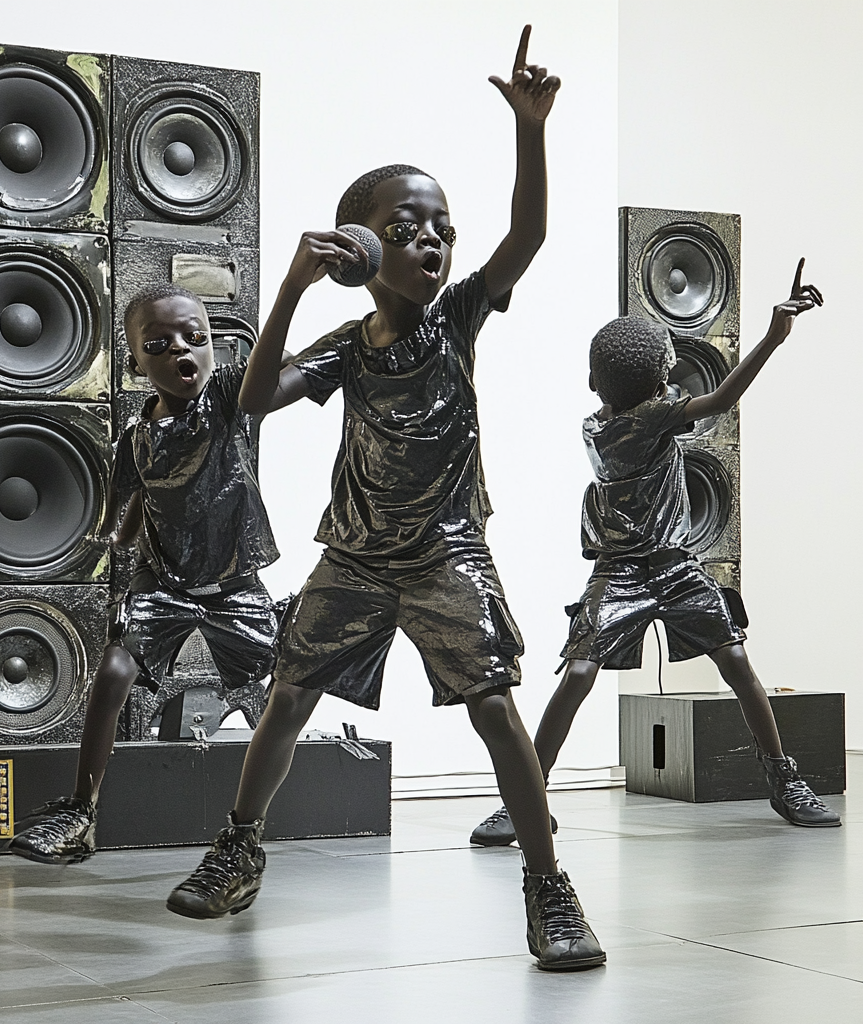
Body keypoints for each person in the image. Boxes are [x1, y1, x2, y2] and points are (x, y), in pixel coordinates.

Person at [167, 27, 606, 973]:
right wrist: (288, 282)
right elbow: (248, 401)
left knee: (495, 709)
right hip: (358, 556)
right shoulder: (344, 341)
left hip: (447, 551)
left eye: (441, 227)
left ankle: (549, 888)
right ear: (362, 252)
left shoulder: (458, 317)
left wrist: (530, 130)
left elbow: (527, 233)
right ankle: (240, 850)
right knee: (288, 693)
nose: (433, 243)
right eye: (406, 230)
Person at [470, 259, 840, 847]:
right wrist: (772, 337)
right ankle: (526, 800)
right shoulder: (648, 419)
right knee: (731, 667)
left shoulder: (598, 422)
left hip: (656, 568)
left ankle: (525, 800)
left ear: (597, 382)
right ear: (663, 373)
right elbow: (718, 401)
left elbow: (664, 398)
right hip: (634, 569)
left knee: (601, 674)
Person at [9, 284, 281, 863]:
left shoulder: (230, 399)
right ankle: (81, 811)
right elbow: (125, 520)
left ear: (215, 347)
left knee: (286, 689)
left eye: (196, 338)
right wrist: (94, 543)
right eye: (160, 344)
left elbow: (269, 364)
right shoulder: (132, 440)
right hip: (164, 584)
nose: (182, 350)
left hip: (233, 580)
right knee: (112, 672)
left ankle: (244, 834)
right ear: (136, 362)